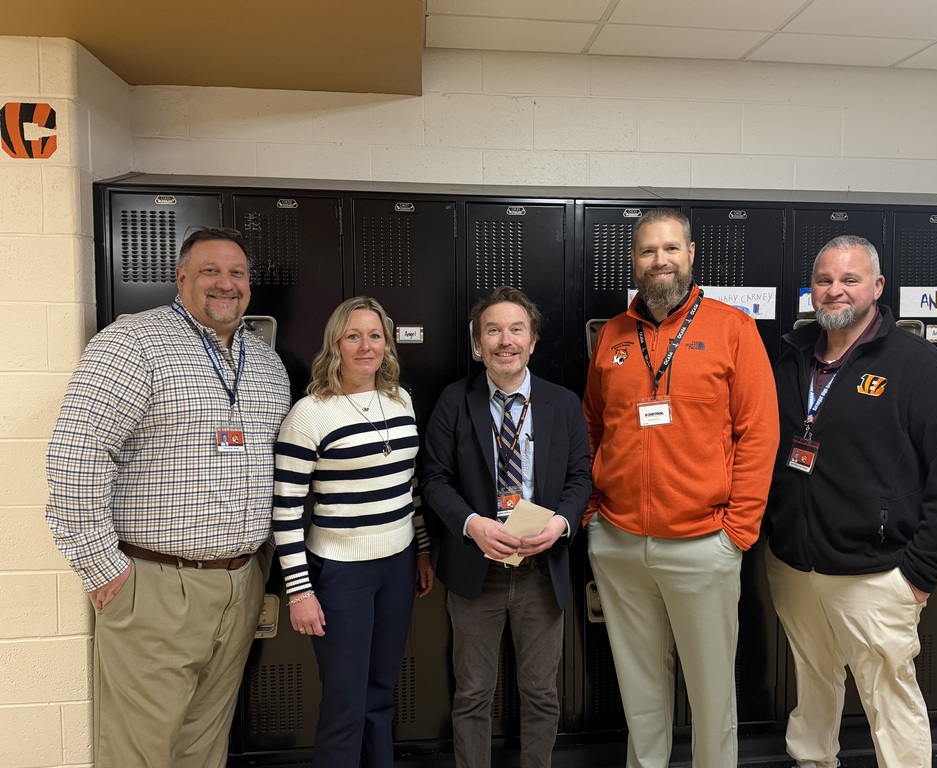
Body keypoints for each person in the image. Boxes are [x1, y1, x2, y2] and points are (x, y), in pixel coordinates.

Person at [45, 226, 291, 767]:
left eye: (237, 274)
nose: (225, 284)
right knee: (141, 751)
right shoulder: (133, 343)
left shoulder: (266, 364)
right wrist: (101, 567)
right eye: (210, 272)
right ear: (181, 279)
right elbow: (76, 456)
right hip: (155, 584)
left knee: (205, 745)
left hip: (241, 582)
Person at [764, 235, 937, 768]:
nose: (835, 291)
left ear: (877, 287)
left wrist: (918, 573)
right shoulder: (790, 357)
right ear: (811, 290)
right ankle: (813, 761)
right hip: (795, 566)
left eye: (850, 279)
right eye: (824, 280)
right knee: (813, 682)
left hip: (875, 574)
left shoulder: (920, 368)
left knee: (890, 699)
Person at [583, 208, 779, 768]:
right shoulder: (615, 337)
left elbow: (759, 433)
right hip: (619, 543)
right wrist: (595, 513)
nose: (659, 260)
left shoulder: (731, 329)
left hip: (703, 543)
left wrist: (736, 531)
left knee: (712, 693)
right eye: (648, 251)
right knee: (640, 694)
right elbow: (592, 424)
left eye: (671, 249)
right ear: (634, 262)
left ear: (691, 255)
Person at [421, 286, 591, 768]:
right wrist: (471, 524)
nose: (505, 340)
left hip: (542, 569)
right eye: (492, 330)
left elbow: (582, 476)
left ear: (533, 341)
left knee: (540, 692)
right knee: (473, 693)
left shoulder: (562, 403)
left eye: (516, 329)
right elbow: (433, 478)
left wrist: (560, 524)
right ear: (478, 344)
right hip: (477, 572)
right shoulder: (454, 401)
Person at [272, 296, 435, 767]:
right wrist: (299, 592)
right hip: (340, 575)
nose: (366, 347)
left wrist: (422, 550)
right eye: (353, 336)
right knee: (345, 705)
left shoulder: (399, 399)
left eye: (375, 336)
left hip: (398, 566)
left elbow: (409, 485)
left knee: (382, 696)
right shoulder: (310, 414)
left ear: (387, 344)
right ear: (335, 345)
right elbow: (285, 511)